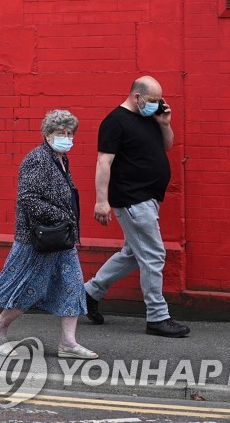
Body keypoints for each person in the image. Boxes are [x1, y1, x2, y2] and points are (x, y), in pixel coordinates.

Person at [0, 109, 98, 360]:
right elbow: (28, 199)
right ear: (47, 135)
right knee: (29, 288)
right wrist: (60, 217)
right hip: (39, 239)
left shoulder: (60, 158)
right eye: (60, 133)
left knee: (73, 286)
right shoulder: (38, 159)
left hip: (62, 239)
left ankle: (68, 343)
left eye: (70, 133)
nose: (67, 138)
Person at [83, 75, 191, 338]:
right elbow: (103, 163)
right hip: (132, 200)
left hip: (149, 199)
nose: (158, 105)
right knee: (154, 255)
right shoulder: (114, 122)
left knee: (132, 254)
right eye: (153, 101)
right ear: (137, 97)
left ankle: (87, 294)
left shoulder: (149, 118)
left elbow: (167, 146)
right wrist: (101, 201)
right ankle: (157, 317)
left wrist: (164, 124)